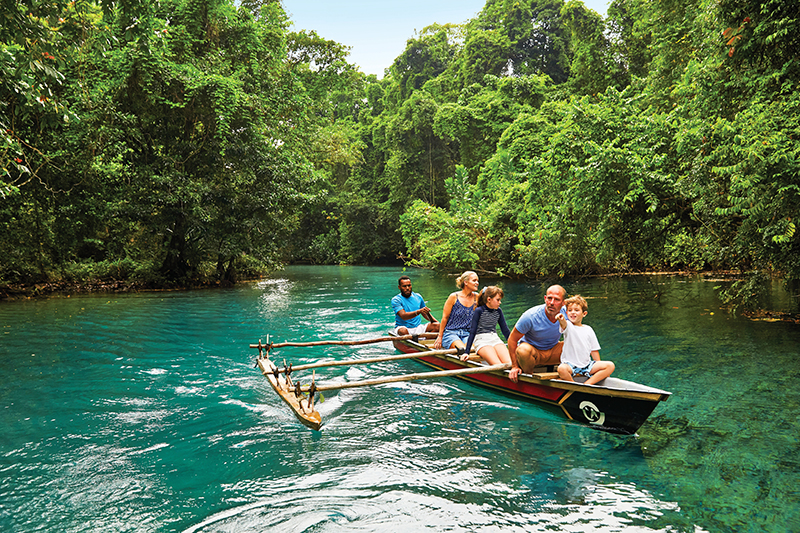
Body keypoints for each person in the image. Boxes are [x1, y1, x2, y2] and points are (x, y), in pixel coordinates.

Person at [508, 284, 568, 382]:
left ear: (563, 303)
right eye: (549, 298)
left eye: (556, 300)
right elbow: (512, 339)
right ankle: (529, 377)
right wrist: (514, 366)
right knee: (523, 350)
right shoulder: (530, 316)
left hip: (553, 351)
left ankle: (574, 373)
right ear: (545, 299)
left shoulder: (567, 313)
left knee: (576, 343)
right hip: (533, 354)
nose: (551, 303)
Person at [555, 295, 615, 386]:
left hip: (587, 366)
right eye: (570, 310)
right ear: (566, 313)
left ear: (584, 314)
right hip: (570, 366)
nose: (573, 312)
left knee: (610, 365)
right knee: (561, 369)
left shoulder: (588, 329)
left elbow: (594, 350)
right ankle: (574, 385)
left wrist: (602, 371)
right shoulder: (568, 326)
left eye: (576, 310)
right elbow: (563, 324)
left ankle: (587, 384)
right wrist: (561, 319)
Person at [462, 286, 511, 365]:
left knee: (509, 363)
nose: (500, 302)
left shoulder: (498, 311)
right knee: (498, 365)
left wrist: (514, 345)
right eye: (498, 300)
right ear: (489, 299)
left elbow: (505, 330)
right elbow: (472, 332)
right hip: (482, 340)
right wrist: (466, 352)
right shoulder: (479, 311)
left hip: (495, 338)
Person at [433, 271, 479, 350]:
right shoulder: (454, 297)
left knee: (472, 349)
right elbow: (445, 318)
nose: (477, 283)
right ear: (466, 282)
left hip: (468, 334)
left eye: (477, 281)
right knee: (462, 350)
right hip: (451, 333)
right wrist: (440, 337)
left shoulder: (477, 297)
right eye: (474, 280)